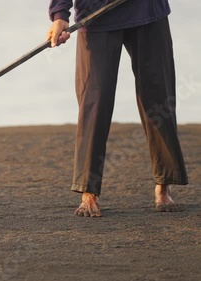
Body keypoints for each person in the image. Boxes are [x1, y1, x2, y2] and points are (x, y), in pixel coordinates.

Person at [46, 0, 189, 217]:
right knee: (94, 101)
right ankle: (89, 190)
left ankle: (164, 184)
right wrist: (59, 15)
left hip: (148, 9)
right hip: (95, 14)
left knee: (158, 93)